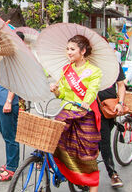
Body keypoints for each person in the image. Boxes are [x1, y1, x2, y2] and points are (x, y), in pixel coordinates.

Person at [50, 35, 102, 192]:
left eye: (72, 49)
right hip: (67, 112)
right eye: (67, 49)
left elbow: (92, 91)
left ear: (83, 51)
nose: (69, 52)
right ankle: (68, 172)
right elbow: (63, 94)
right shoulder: (66, 70)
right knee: (55, 142)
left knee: (86, 155)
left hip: (84, 115)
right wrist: (56, 90)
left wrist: (86, 101)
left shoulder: (94, 71)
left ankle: (91, 182)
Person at [98, 62, 126, 188]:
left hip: (110, 108)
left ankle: (111, 173)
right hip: (91, 108)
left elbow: (121, 85)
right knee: (102, 142)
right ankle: (112, 174)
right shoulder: (85, 64)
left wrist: (120, 102)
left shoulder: (113, 63)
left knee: (103, 142)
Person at [0, 81, 19, 181]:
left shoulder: (11, 65)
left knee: (10, 136)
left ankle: (12, 167)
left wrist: (9, 101)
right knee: (5, 134)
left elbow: (14, 83)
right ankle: (10, 162)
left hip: (6, 102)